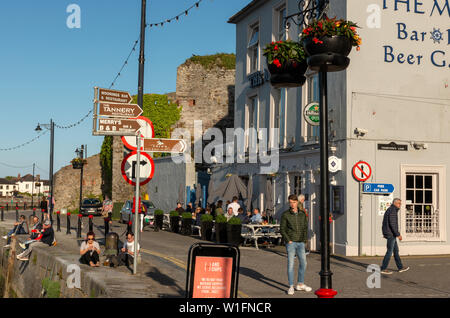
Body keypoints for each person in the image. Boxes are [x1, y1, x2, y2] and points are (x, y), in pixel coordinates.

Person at [280, 194, 312, 295]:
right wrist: (288, 240)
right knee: (291, 265)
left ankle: (300, 284)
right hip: (291, 243)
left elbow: (304, 227)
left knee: (304, 263)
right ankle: (291, 286)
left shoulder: (302, 214)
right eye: (290, 202)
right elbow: (282, 229)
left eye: (294, 202)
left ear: (297, 202)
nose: (292, 204)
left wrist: (304, 240)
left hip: (301, 242)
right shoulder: (285, 214)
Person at [380, 198, 410, 275]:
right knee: (389, 251)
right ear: (395, 203)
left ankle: (400, 267)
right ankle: (383, 268)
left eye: (400, 203)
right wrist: (398, 234)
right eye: (399, 203)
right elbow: (393, 224)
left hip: (390, 233)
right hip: (391, 234)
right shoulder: (393, 211)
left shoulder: (390, 210)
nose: (400, 205)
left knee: (396, 251)